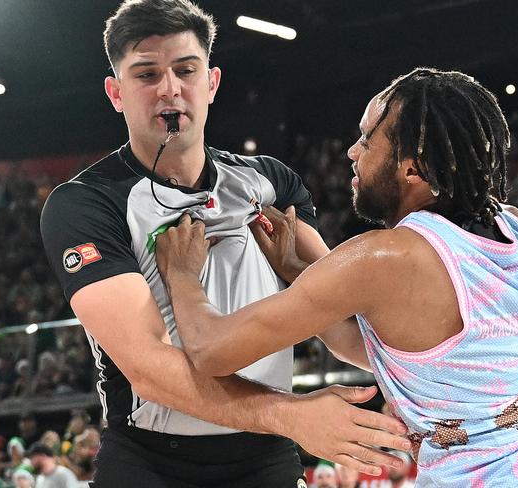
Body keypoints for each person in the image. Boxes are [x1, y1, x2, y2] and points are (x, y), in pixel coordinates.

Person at [155, 67, 518, 485]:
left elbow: (212, 351)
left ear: (412, 169)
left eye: (368, 140)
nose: (352, 152)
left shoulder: (386, 257)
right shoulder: (516, 226)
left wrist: (182, 276)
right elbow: (402, 355)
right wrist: (294, 269)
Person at [39, 0, 408, 486]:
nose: (169, 89)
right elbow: (147, 368)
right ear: (116, 93)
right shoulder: (85, 203)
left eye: (185, 70)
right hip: (149, 461)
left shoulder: (271, 182)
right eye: (146, 74)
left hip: (265, 459)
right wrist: (291, 415)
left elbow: (346, 324)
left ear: (211, 83)